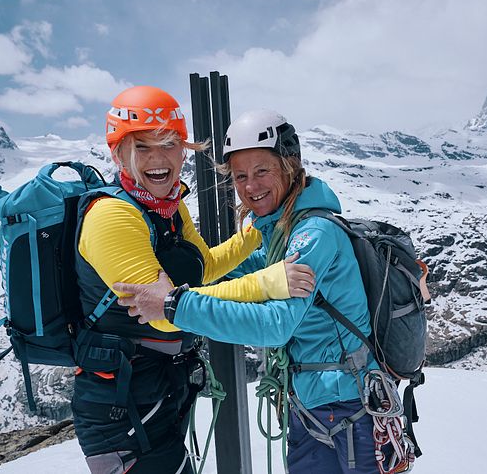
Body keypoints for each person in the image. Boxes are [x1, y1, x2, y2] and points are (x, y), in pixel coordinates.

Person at [114, 109, 384, 473]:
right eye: (240, 176)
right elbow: (223, 280)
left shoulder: (313, 235)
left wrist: (175, 306)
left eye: (261, 172)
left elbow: (276, 324)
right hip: (314, 405)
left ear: (289, 165)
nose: (250, 187)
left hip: (349, 405)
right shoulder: (278, 235)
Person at [73, 88, 316, 473]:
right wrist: (266, 284)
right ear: (118, 153)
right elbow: (166, 312)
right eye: (143, 147)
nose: (158, 160)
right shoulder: (112, 218)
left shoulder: (168, 205)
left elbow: (204, 267)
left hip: (160, 390)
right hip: (121, 409)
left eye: (168, 144)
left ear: (183, 149)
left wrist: (261, 226)